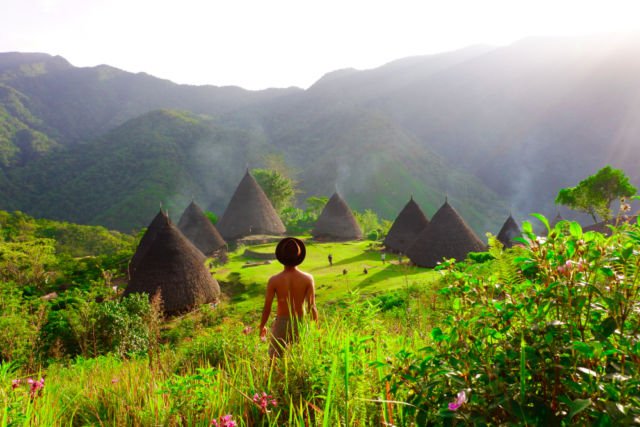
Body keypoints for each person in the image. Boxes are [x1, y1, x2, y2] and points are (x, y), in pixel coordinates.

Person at [259, 237, 318, 357]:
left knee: (275, 359)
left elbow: (267, 308)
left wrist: (262, 326)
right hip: (300, 323)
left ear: (281, 257)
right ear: (299, 256)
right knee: (300, 357)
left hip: (281, 323)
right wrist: (315, 329)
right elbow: (312, 307)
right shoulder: (307, 279)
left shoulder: (274, 280)